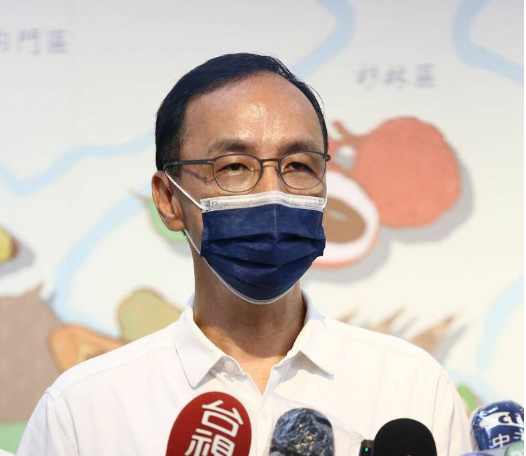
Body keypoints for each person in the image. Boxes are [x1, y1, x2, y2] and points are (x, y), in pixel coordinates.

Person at [17, 53, 472, 455]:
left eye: (298, 165)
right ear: (169, 200)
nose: (273, 193)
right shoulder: (85, 410)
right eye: (234, 167)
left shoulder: (412, 388)